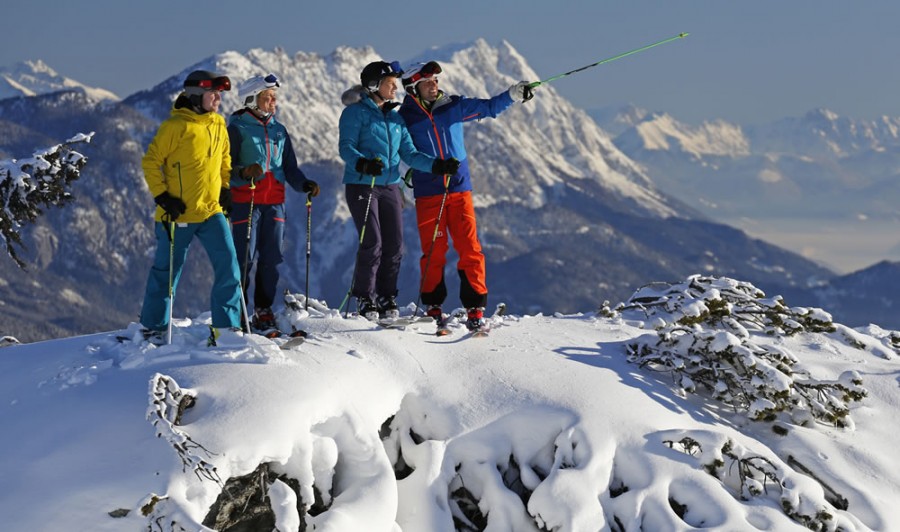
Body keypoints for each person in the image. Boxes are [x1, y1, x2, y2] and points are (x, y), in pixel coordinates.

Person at [397, 61, 535, 331]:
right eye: (428, 82)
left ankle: (475, 308)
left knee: (469, 248)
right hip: (429, 193)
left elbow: (489, 107)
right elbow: (405, 153)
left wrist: (513, 94)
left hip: (460, 189)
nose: (434, 84)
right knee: (434, 251)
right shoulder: (406, 118)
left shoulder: (453, 106)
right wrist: (421, 171)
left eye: (436, 79)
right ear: (413, 87)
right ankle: (433, 308)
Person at [338, 60, 460, 321]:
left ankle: (386, 295)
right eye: (390, 84)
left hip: (390, 186)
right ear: (374, 85)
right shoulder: (355, 113)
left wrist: (437, 166)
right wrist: (363, 162)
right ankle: (364, 297)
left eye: (395, 83)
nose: (395, 88)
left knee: (394, 245)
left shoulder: (396, 118)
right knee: (373, 242)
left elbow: (410, 153)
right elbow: (346, 148)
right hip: (363, 184)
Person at [139, 70, 243, 346]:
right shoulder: (175, 127)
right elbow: (151, 162)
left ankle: (226, 329)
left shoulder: (219, 124)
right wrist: (162, 197)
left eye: (220, 94)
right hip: (178, 214)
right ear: (197, 96)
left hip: (211, 211)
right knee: (166, 273)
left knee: (229, 267)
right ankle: (153, 328)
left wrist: (225, 189)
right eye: (214, 94)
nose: (219, 98)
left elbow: (224, 160)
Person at [227, 73, 320, 333]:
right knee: (244, 259)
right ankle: (238, 311)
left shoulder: (279, 130)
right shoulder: (237, 128)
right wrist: (244, 173)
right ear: (251, 100)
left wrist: (303, 184)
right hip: (247, 201)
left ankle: (263, 309)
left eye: (274, 97)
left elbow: (289, 168)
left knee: (272, 259)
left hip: (275, 202)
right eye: (267, 97)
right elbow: (225, 168)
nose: (273, 102)